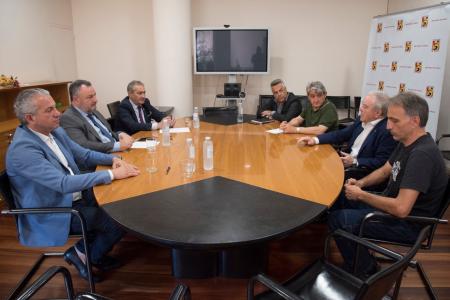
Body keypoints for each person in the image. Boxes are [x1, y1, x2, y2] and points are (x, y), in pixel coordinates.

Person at [6, 88, 140, 282]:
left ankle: (88, 252)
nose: (58, 113)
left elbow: (83, 154)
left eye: (56, 107)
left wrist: (115, 160)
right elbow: (62, 183)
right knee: (117, 220)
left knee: (123, 203)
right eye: (49, 109)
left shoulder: (55, 131)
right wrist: (111, 174)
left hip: (74, 196)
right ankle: (84, 256)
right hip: (54, 210)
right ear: (30, 118)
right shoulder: (23, 150)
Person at [328, 92, 447, 278]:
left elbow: (401, 209)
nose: (388, 126)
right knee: (340, 196)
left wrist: (361, 195)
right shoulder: (407, 141)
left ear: (414, 121)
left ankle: (365, 270)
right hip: (390, 206)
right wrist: (360, 183)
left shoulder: (422, 155)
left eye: (394, 120)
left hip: (408, 225)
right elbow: (385, 170)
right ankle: (360, 256)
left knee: (340, 220)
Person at [298, 92, 397, 180]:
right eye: (362, 105)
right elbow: (341, 134)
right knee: (311, 166)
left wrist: (355, 161)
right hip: (344, 160)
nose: (360, 109)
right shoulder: (361, 119)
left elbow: (381, 162)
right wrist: (315, 139)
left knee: (321, 178)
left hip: (360, 172)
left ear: (378, 113)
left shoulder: (386, 131)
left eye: (365, 107)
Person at [60, 79, 134, 155]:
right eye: (90, 97)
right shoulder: (68, 118)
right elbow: (83, 145)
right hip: (100, 160)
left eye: (94, 95)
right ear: (76, 100)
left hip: (119, 152)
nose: (95, 100)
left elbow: (109, 133)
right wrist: (117, 146)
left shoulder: (93, 110)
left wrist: (120, 134)